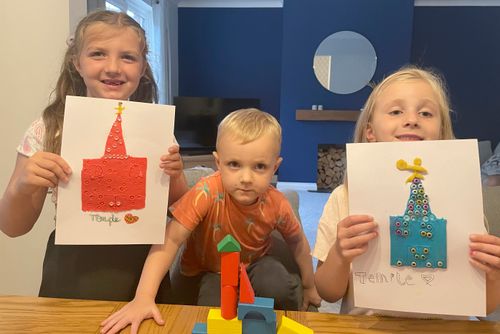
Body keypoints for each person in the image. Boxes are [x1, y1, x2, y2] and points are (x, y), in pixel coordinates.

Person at [0, 10, 188, 302]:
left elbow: (181, 209)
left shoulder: (156, 129)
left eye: (128, 57)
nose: (113, 67)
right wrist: (24, 184)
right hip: (72, 270)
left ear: (142, 68)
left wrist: (174, 174)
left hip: (142, 271)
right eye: (98, 54)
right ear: (77, 62)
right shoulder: (49, 128)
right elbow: (12, 226)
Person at [100, 108, 321, 334]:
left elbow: (298, 242)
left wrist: (309, 285)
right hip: (205, 272)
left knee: (277, 283)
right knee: (211, 306)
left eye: (260, 167)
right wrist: (143, 297)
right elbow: (171, 239)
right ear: (218, 162)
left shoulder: (277, 203)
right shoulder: (205, 192)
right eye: (234, 164)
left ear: (275, 167)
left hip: (254, 266)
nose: (246, 178)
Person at [313, 66, 500, 317]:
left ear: (441, 133)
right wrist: (339, 254)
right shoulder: (344, 197)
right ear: (370, 132)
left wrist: (493, 275)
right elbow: (327, 292)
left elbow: (484, 308)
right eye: (396, 111)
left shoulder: (462, 198)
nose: (412, 119)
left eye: (425, 112)